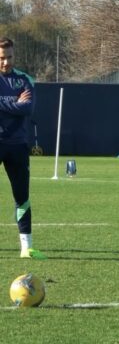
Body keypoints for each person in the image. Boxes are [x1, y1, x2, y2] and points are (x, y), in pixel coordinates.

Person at [0, 38, 45, 259]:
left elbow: (27, 108)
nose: (6, 62)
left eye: (9, 57)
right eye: (2, 58)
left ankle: (26, 247)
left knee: (22, 196)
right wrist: (14, 104)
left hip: (17, 145)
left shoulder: (25, 80)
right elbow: (19, 106)